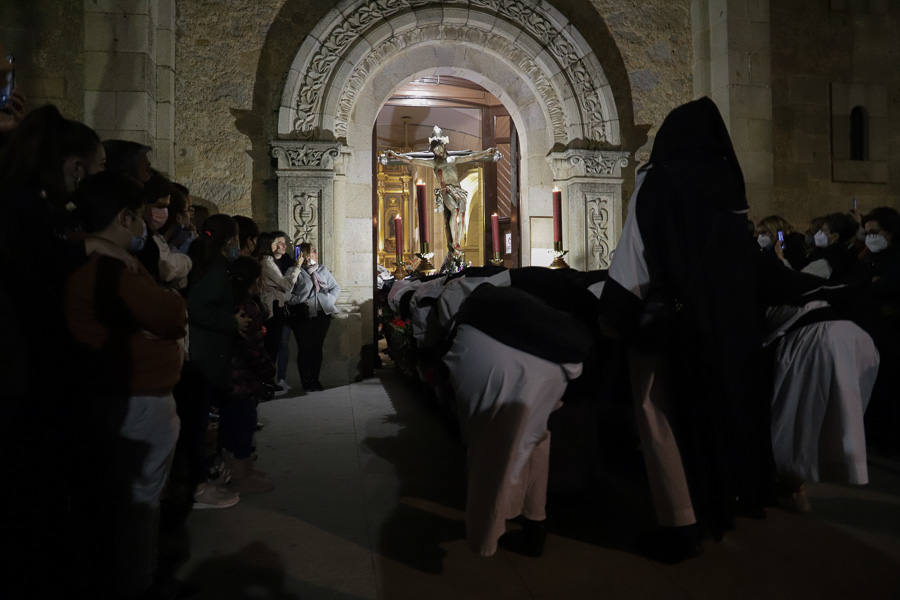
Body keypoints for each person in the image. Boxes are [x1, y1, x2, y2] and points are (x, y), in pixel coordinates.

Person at [597, 97, 828, 562]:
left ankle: (680, 524)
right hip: (730, 326)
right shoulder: (728, 187)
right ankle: (725, 506)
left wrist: (614, 317)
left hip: (673, 327)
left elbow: (634, 260)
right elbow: (748, 262)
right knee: (719, 413)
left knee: (657, 412)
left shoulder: (658, 181)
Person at [64, 171, 186, 598]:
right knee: (136, 508)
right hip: (135, 399)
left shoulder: (86, 261)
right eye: (137, 217)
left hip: (121, 396)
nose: (143, 227)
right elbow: (171, 314)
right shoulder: (111, 269)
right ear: (123, 217)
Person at [384, 126, 499, 267]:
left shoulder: (453, 159)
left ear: (444, 146)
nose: (437, 151)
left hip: (458, 190)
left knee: (462, 214)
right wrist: (396, 156)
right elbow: (412, 160)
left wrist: (486, 152)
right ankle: (454, 242)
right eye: (435, 150)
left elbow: (472, 157)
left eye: (439, 148)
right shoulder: (433, 162)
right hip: (445, 191)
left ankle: (458, 242)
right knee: (454, 210)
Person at [223, 256, 275, 493]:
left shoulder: (228, 303)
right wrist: (267, 370)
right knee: (244, 425)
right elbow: (253, 347)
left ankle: (245, 470)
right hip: (242, 376)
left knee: (237, 424)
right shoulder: (247, 307)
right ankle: (242, 476)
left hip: (229, 374)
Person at [287, 242, 340, 391]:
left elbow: (335, 287)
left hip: (322, 315)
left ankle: (315, 380)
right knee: (304, 348)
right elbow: (286, 293)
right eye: (311, 252)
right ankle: (306, 381)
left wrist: (329, 300)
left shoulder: (322, 269)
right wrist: (301, 299)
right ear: (303, 255)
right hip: (303, 315)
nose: (315, 254)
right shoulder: (294, 271)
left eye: (315, 251)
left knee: (317, 348)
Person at [256, 231, 301, 380]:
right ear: (269, 244)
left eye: (284, 242)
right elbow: (287, 284)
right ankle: (267, 380)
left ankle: (273, 379)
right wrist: (297, 266)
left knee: (277, 345)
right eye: (279, 242)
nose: (284, 245)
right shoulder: (266, 262)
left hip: (279, 306)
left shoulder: (283, 260)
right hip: (272, 308)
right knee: (271, 345)